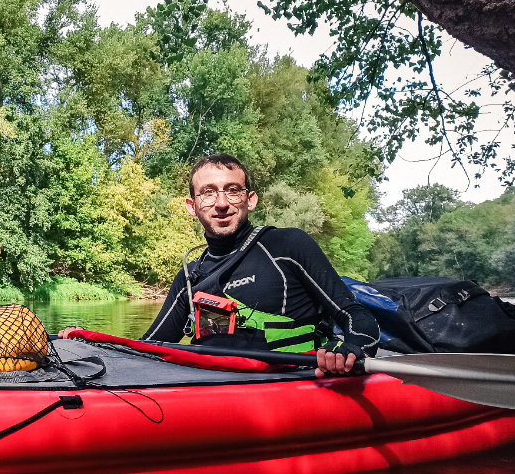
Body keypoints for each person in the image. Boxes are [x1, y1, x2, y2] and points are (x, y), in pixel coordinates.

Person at [142, 154, 379, 378]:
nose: (222, 203)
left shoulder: (287, 246)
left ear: (251, 200)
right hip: (210, 391)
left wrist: (353, 350)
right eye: (208, 193)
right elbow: (144, 350)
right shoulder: (190, 278)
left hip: (291, 384)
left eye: (233, 191)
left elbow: (355, 315)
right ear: (192, 206)